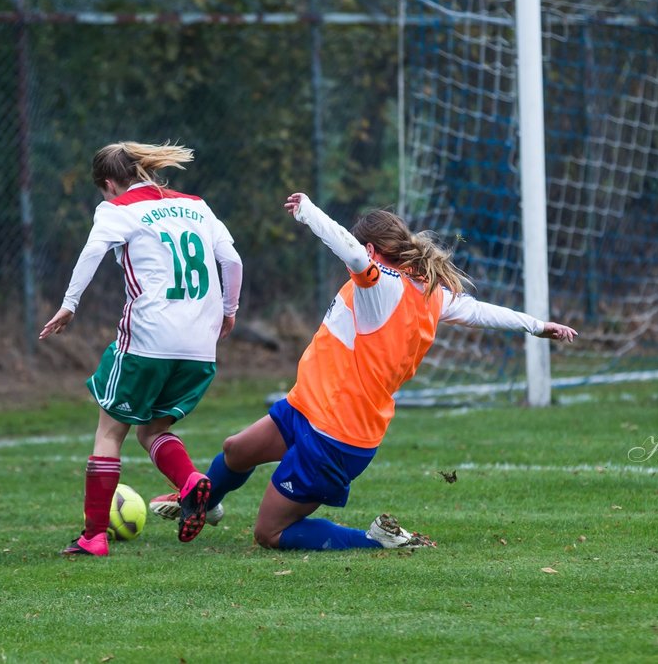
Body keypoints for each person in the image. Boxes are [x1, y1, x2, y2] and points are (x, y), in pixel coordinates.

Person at [152, 191, 577, 551]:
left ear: (374, 252)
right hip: (309, 408)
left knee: (270, 533)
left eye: (364, 251)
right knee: (235, 450)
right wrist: (538, 326)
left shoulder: (381, 286)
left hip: (337, 435)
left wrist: (308, 212)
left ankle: (376, 540)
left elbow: (351, 252)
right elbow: (484, 312)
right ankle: (202, 502)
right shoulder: (430, 293)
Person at [40, 141, 242, 556]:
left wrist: (69, 304)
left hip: (149, 337)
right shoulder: (197, 205)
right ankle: (189, 482)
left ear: (109, 183)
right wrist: (229, 311)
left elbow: (93, 250)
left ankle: (94, 535)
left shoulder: (118, 208)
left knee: (110, 430)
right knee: (152, 430)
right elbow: (233, 261)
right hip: (200, 346)